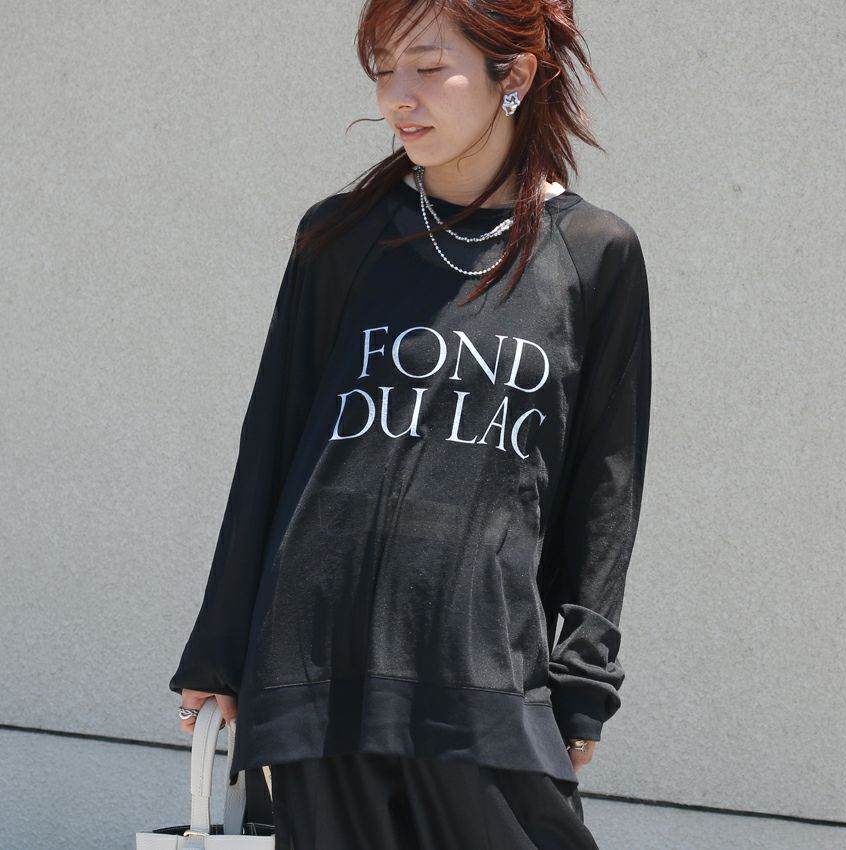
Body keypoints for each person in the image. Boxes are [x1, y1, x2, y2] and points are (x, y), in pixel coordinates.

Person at [170, 1, 652, 847]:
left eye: (429, 67)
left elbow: (606, 487)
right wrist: (220, 648)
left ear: (515, 75)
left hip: (484, 671)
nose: (398, 95)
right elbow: (271, 444)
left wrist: (583, 677)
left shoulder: (594, 254)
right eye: (384, 70)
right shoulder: (339, 239)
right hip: (317, 669)